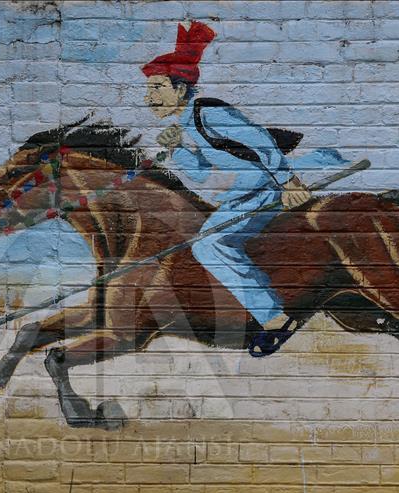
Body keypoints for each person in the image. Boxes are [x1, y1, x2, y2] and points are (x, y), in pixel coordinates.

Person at [142, 21, 348, 354]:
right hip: (246, 193)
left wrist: (288, 182)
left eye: (156, 88)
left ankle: (275, 319)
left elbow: (261, 141)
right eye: (148, 89)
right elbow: (201, 173)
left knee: (210, 245)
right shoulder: (187, 124)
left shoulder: (208, 112)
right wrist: (178, 149)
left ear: (180, 89)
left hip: (266, 187)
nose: (148, 97)